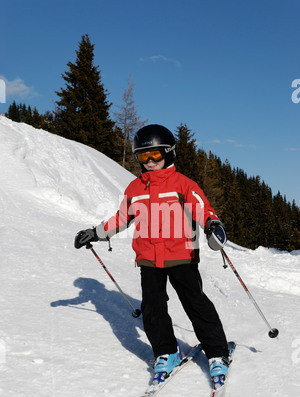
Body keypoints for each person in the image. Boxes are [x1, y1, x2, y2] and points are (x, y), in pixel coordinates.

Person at [74, 124, 229, 379]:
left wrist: (212, 225)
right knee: (153, 309)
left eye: (154, 155)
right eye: (143, 156)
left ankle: (217, 353)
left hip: (182, 256)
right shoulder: (135, 189)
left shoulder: (183, 184)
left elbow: (203, 209)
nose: (149, 161)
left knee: (196, 305)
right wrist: (97, 232)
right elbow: (122, 219)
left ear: (168, 153)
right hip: (148, 259)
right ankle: (166, 352)